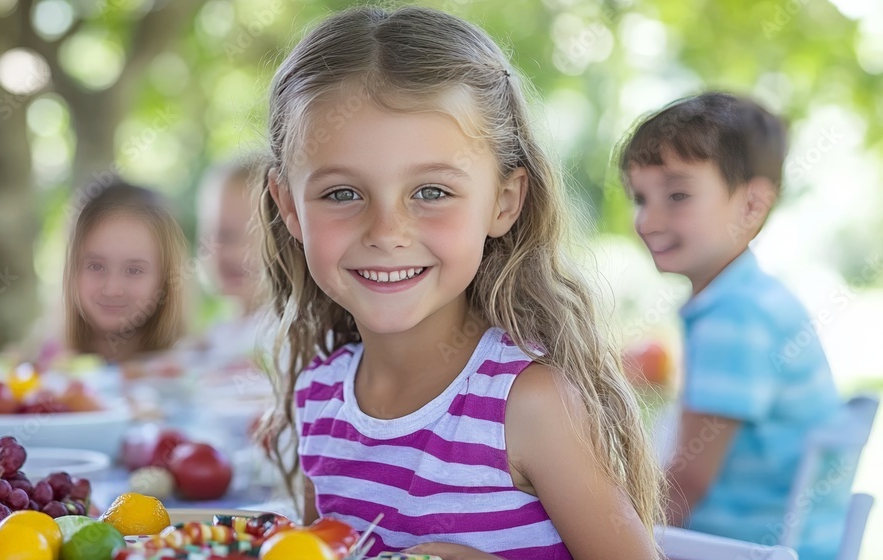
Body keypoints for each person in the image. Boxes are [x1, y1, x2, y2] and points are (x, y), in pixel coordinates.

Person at [257, 6, 662, 559]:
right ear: (290, 209)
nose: (387, 232)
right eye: (342, 194)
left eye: (431, 192)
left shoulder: (529, 405)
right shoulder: (318, 398)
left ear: (503, 201)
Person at [617, 92, 846, 560]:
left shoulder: (735, 316)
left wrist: (602, 525)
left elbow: (686, 484)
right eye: (641, 198)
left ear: (751, 205)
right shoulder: (749, 298)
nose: (648, 219)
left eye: (677, 195)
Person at [63, 182, 187, 363]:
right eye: (96, 266)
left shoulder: (192, 370)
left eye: (134, 270)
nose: (112, 289)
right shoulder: (38, 374)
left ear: (166, 278)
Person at [196, 153, 274, 371]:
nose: (236, 253)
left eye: (255, 236)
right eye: (223, 235)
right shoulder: (218, 332)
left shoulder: (285, 331)